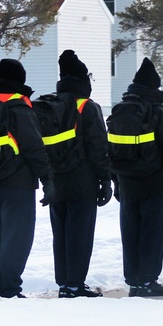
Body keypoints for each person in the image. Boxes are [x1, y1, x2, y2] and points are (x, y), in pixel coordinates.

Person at [110, 57, 163, 297]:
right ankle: (148, 280)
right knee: (152, 233)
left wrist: (115, 181)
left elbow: (111, 149)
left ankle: (134, 281)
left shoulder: (119, 111)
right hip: (154, 182)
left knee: (130, 232)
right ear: (154, 89)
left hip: (126, 183)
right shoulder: (159, 112)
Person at [0, 59, 52, 300]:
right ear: (20, 80)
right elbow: (33, 147)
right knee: (17, 237)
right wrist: (47, 180)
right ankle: (9, 289)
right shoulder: (19, 107)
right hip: (16, 184)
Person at [45, 50, 111, 299]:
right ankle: (75, 284)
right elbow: (98, 147)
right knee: (80, 234)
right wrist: (105, 179)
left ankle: (64, 283)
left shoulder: (49, 105)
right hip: (82, 181)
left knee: (60, 234)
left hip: (55, 181)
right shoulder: (87, 107)